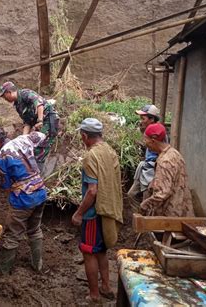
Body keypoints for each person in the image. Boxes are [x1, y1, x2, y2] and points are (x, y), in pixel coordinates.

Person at [72, 118, 123, 302]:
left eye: (81, 136)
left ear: (85, 136)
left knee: (88, 252)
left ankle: (94, 295)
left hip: (93, 214)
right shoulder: (110, 151)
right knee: (101, 250)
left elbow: (92, 191)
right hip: (107, 210)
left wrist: (79, 213)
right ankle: (106, 286)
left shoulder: (90, 156)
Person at [0, 128, 47, 273]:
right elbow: (41, 136)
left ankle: (3, 273)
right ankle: (37, 266)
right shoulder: (24, 139)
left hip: (24, 198)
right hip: (40, 191)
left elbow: (4, 185)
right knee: (34, 230)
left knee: (12, 235)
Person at [0, 81, 59, 171]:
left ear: (8, 92)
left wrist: (40, 120)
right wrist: (23, 138)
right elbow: (27, 122)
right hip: (39, 124)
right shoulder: (18, 105)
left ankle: (39, 176)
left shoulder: (25, 94)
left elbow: (39, 104)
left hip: (48, 120)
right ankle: (32, 172)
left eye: (4, 96)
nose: (4, 99)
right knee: (29, 147)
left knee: (39, 149)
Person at [140, 123, 194, 217]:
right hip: (182, 209)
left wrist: (144, 206)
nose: (145, 143)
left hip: (170, 214)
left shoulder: (165, 161)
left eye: (145, 139)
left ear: (153, 141)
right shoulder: (174, 153)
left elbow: (162, 193)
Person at [127, 104, 161, 211]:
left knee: (147, 202)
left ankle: (145, 223)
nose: (141, 121)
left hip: (152, 172)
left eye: (143, 118)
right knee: (131, 194)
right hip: (145, 168)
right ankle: (139, 216)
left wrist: (155, 178)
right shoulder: (148, 131)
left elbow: (160, 156)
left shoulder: (158, 134)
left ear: (151, 119)